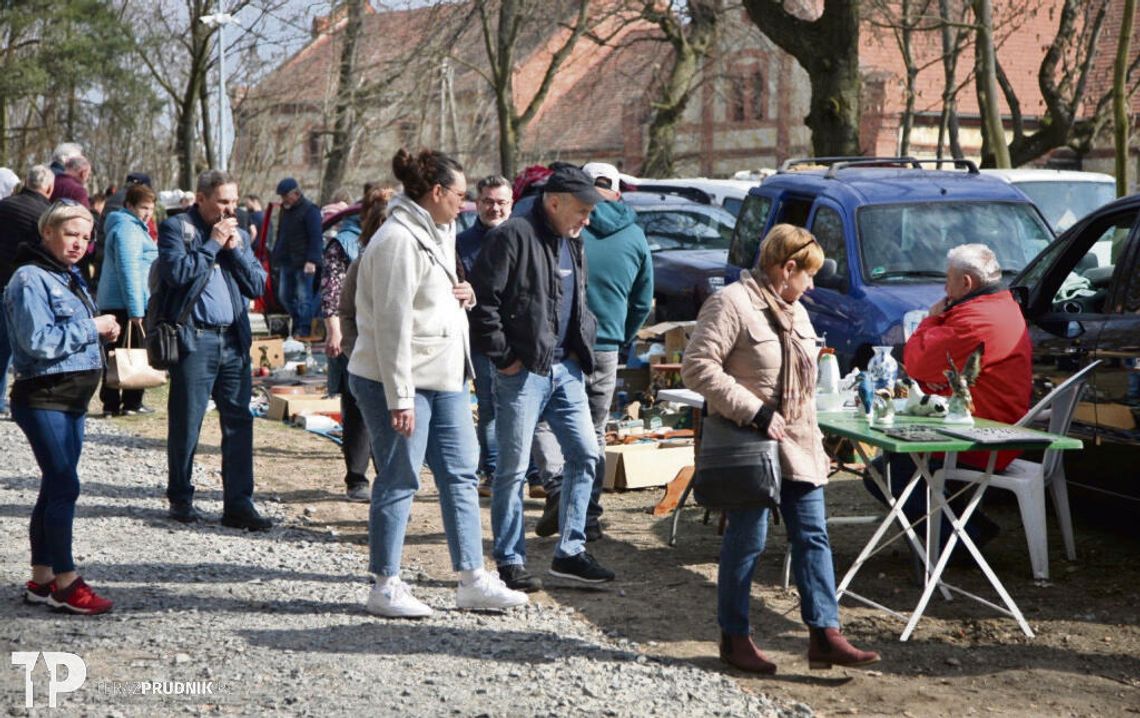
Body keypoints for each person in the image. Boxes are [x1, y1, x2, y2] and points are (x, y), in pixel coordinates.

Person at [682, 224, 880, 674]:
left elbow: (804, 384)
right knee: (747, 541)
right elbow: (697, 368)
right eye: (806, 275)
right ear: (786, 268)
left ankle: (825, 635)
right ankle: (734, 639)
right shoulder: (731, 303)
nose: (811, 286)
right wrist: (755, 412)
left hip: (799, 445)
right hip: (751, 447)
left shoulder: (796, 311)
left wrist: (819, 443)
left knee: (813, 538)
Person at [347, 148, 526, 617]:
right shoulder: (396, 241)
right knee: (400, 475)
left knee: (462, 473)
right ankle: (384, 585)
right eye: (462, 196)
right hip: (396, 380)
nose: (467, 205)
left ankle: (471, 578)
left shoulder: (440, 231)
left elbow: (428, 300)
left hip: (443, 378)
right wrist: (399, 397)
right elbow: (391, 325)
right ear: (436, 193)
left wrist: (460, 297)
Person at [469, 164, 615, 591]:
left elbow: (575, 299)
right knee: (512, 471)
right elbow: (483, 305)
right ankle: (510, 560)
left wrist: (580, 344)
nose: (587, 220)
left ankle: (569, 552)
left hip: (566, 370)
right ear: (554, 202)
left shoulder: (575, 241)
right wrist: (504, 358)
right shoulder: (510, 236)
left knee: (587, 456)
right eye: (582, 211)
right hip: (523, 373)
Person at [864, 243, 1030, 547]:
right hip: (987, 426)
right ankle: (962, 532)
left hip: (977, 438)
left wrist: (931, 318)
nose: (944, 287)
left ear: (966, 283)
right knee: (892, 466)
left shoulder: (973, 319)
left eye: (948, 279)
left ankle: (965, 542)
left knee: (885, 474)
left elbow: (916, 363)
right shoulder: (1002, 305)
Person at [4, 201, 121, 614]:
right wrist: (92, 327)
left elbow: (69, 333)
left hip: (71, 397)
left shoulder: (67, 275)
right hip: (43, 397)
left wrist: (100, 334)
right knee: (65, 485)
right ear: (48, 232)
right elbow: (39, 341)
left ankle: (41, 579)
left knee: (53, 485)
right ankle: (68, 584)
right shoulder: (29, 278)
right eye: (71, 234)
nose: (79, 244)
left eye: (86, 238)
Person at [531, 161, 653, 542]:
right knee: (595, 432)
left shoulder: (563, 227)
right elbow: (643, 301)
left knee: (546, 421)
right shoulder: (634, 236)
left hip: (560, 344)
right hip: (604, 347)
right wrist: (619, 336)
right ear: (617, 192)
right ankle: (589, 516)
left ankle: (556, 488)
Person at [154, 170, 271, 530]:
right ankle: (181, 497)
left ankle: (238, 504)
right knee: (187, 421)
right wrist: (211, 246)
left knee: (239, 422)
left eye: (234, 202)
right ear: (201, 199)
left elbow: (257, 285)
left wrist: (234, 250)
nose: (229, 209)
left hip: (233, 340)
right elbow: (176, 274)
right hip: (195, 339)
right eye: (223, 202)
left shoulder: (236, 234)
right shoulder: (178, 229)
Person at [322, 186, 389, 502]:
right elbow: (332, 291)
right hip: (355, 334)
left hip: (387, 338)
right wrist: (334, 330)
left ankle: (388, 477)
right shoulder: (345, 244)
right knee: (357, 407)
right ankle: (357, 478)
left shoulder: (399, 243)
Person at [456, 175, 514, 498]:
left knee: (522, 407)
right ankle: (491, 471)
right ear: (477, 203)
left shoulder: (524, 238)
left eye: (501, 202)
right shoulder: (461, 243)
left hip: (518, 338)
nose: (495, 208)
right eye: (489, 201)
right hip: (479, 338)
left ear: (511, 204)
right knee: (489, 406)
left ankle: (531, 473)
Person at [95, 183, 160, 417]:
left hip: (121, 301)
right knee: (129, 352)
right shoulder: (128, 230)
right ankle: (127, 402)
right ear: (129, 205)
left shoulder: (130, 227)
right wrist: (136, 309)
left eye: (151, 208)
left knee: (118, 354)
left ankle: (115, 403)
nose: (148, 213)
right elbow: (129, 270)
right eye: (143, 207)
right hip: (127, 303)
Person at [0, 165, 55, 418]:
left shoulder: (5, 206)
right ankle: (27, 398)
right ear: (49, 188)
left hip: (2, 280)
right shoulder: (47, 214)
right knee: (29, 346)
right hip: (28, 286)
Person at [271, 177, 323, 340]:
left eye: (285, 196)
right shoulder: (285, 211)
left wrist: (312, 260)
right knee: (284, 296)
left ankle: (304, 329)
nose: (284, 199)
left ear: (295, 193)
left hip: (304, 263)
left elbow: (316, 237)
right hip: (287, 262)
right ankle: (299, 321)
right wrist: (276, 257)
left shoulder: (310, 210)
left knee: (304, 298)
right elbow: (281, 234)